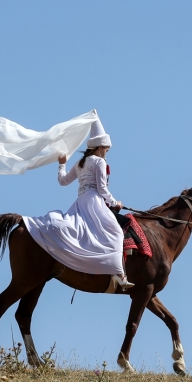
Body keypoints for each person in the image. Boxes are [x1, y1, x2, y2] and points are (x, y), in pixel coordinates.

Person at [54, 117, 134, 289]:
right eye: (106, 149)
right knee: (116, 232)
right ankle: (119, 274)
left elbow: (62, 181)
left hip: (80, 202)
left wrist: (62, 165)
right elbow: (102, 188)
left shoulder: (79, 163)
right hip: (94, 201)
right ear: (99, 147)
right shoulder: (99, 161)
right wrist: (115, 202)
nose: (106, 152)